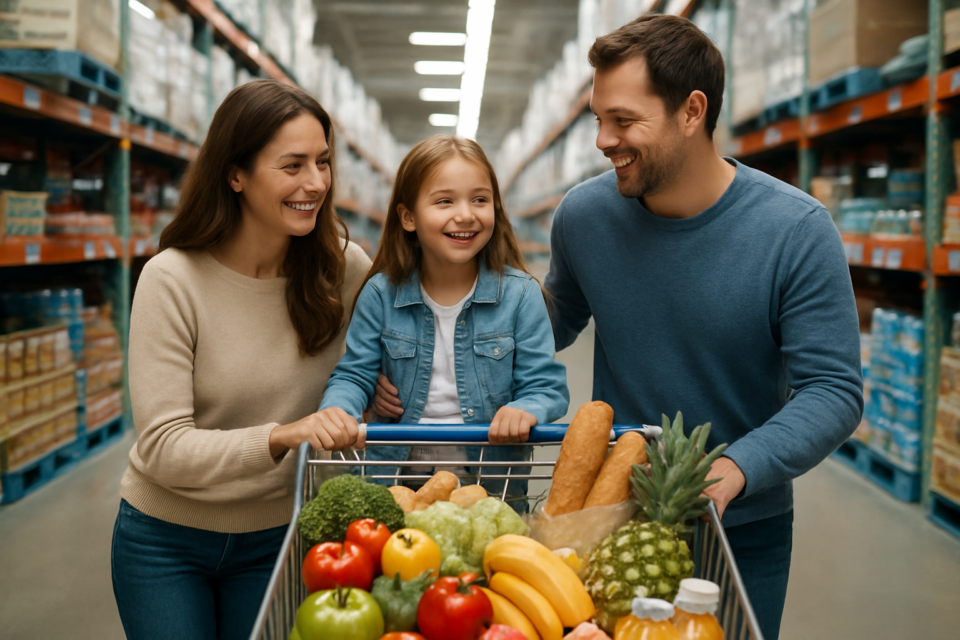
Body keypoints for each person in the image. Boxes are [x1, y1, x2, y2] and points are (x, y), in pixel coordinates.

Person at [375, 15, 863, 640]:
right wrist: (426, 335)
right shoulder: (585, 215)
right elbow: (550, 320)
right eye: (598, 119)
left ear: (692, 111)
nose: (604, 140)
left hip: (741, 525)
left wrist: (738, 468)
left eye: (624, 121)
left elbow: (833, 390)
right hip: (615, 513)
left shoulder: (795, 231)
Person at [111, 79, 370, 640]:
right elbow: (162, 447)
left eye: (323, 162)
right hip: (165, 540)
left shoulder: (344, 271)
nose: (316, 183)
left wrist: (380, 388)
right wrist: (282, 435)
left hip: (280, 537)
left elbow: (372, 369)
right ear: (235, 174)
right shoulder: (172, 279)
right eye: (293, 165)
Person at [316, 134, 569, 506]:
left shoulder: (521, 295)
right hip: (394, 483)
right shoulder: (380, 295)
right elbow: (354, 375)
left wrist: (526, 409)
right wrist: (339, 409)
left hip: (488, 487)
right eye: (445, 201)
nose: (465, 214)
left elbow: (546, 385)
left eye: (480, 200)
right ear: (408, 217)